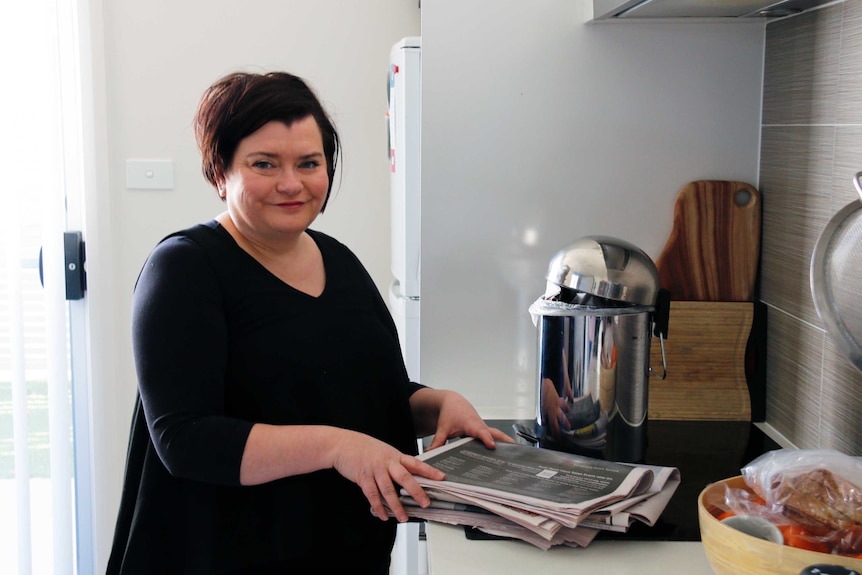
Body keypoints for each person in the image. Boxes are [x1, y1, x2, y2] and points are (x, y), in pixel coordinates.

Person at [107, 71, 512, 575]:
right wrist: (338, 446)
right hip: (222, 556)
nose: (291, 183)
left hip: (344, 551)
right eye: (264, 164)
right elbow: (184, 440)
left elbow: (367, 395)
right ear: (219, 173)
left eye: (309, 163)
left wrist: (440, 404)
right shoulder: (186, 268)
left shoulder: (338, 261)